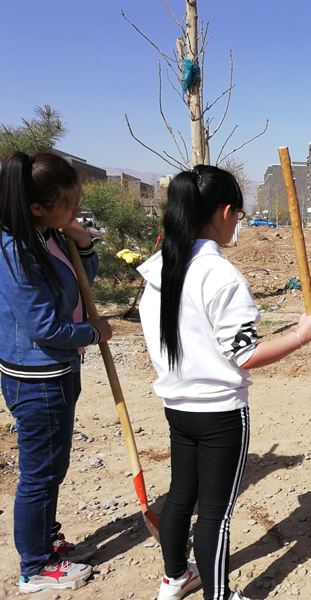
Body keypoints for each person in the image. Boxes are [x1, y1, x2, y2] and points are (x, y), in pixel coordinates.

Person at [137, 166, 311, 600]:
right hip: (219, 412)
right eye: (238, 215)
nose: (237, 223)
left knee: (180, 496)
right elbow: (245, 355)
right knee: (215, 515)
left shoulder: (158, 267)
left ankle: (175, 577)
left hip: (177, 405)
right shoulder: (220, 275)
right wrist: (301, 335)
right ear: (224, 212)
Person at [0, 152, 112, 593]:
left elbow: (82, 281)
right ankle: (35, 566)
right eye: (70, 205)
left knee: (52, 466)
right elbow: (43, 327)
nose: (76, 212)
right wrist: (93, 332)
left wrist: (82, 242)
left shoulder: (47, 235)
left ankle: (47, 542)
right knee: (41, 474)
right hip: (37, 378)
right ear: (36, 207)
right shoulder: (16, 250)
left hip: (57, 370)